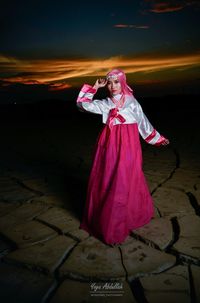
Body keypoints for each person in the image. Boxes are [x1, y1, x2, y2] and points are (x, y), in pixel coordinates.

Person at [76, 68, 169, 245]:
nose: (112, 86)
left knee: (126, 177)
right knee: (111, 177)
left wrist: (157, 138)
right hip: (109, 143)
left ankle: (128, 215)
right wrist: (94, 88)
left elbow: (143, 123)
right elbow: (82, 105)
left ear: (123, 82)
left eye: (116, 82)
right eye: (109, 83)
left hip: (129, 144)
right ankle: (112, 225)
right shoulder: (105, 102)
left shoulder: (132, 102)